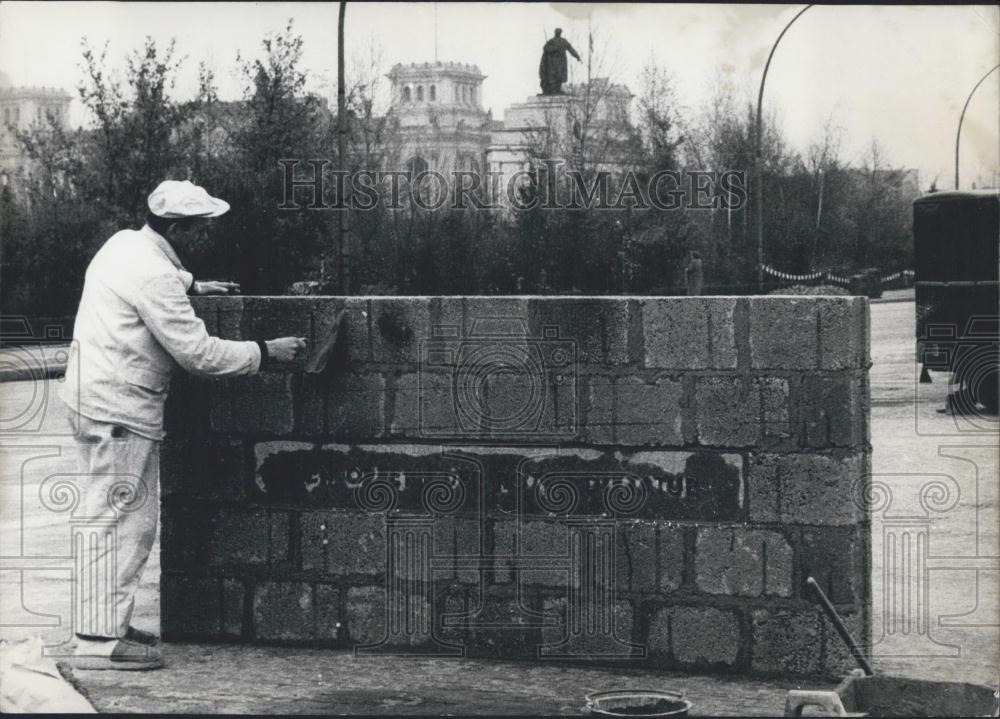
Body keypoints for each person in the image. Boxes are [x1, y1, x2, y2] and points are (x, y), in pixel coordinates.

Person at [60, 180, 307, 670]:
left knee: (111, 517)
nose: (205, 237)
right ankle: (95, 642)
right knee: (123, 524)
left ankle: (106, 625)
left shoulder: (125, 244)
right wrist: (266, 352)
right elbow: (199, 354)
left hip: (91, 398)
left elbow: (156, 275)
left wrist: (193, 285)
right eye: (198, 229)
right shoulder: (153, 275)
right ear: (176, 227)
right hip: (120, 410)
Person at [539, 28, 581, 95]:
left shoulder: (564, 41)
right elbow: (545, 48)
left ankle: (557, 90)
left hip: (561, 63)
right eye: (557, 32)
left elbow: (571, 49)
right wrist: (554, 49)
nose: (558, 33)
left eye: (560, 32)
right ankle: (552, 90)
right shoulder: (551, 41)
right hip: (552, 63)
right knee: (552, 77)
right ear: (555, 32)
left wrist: (577, 56)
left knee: (560, 77)